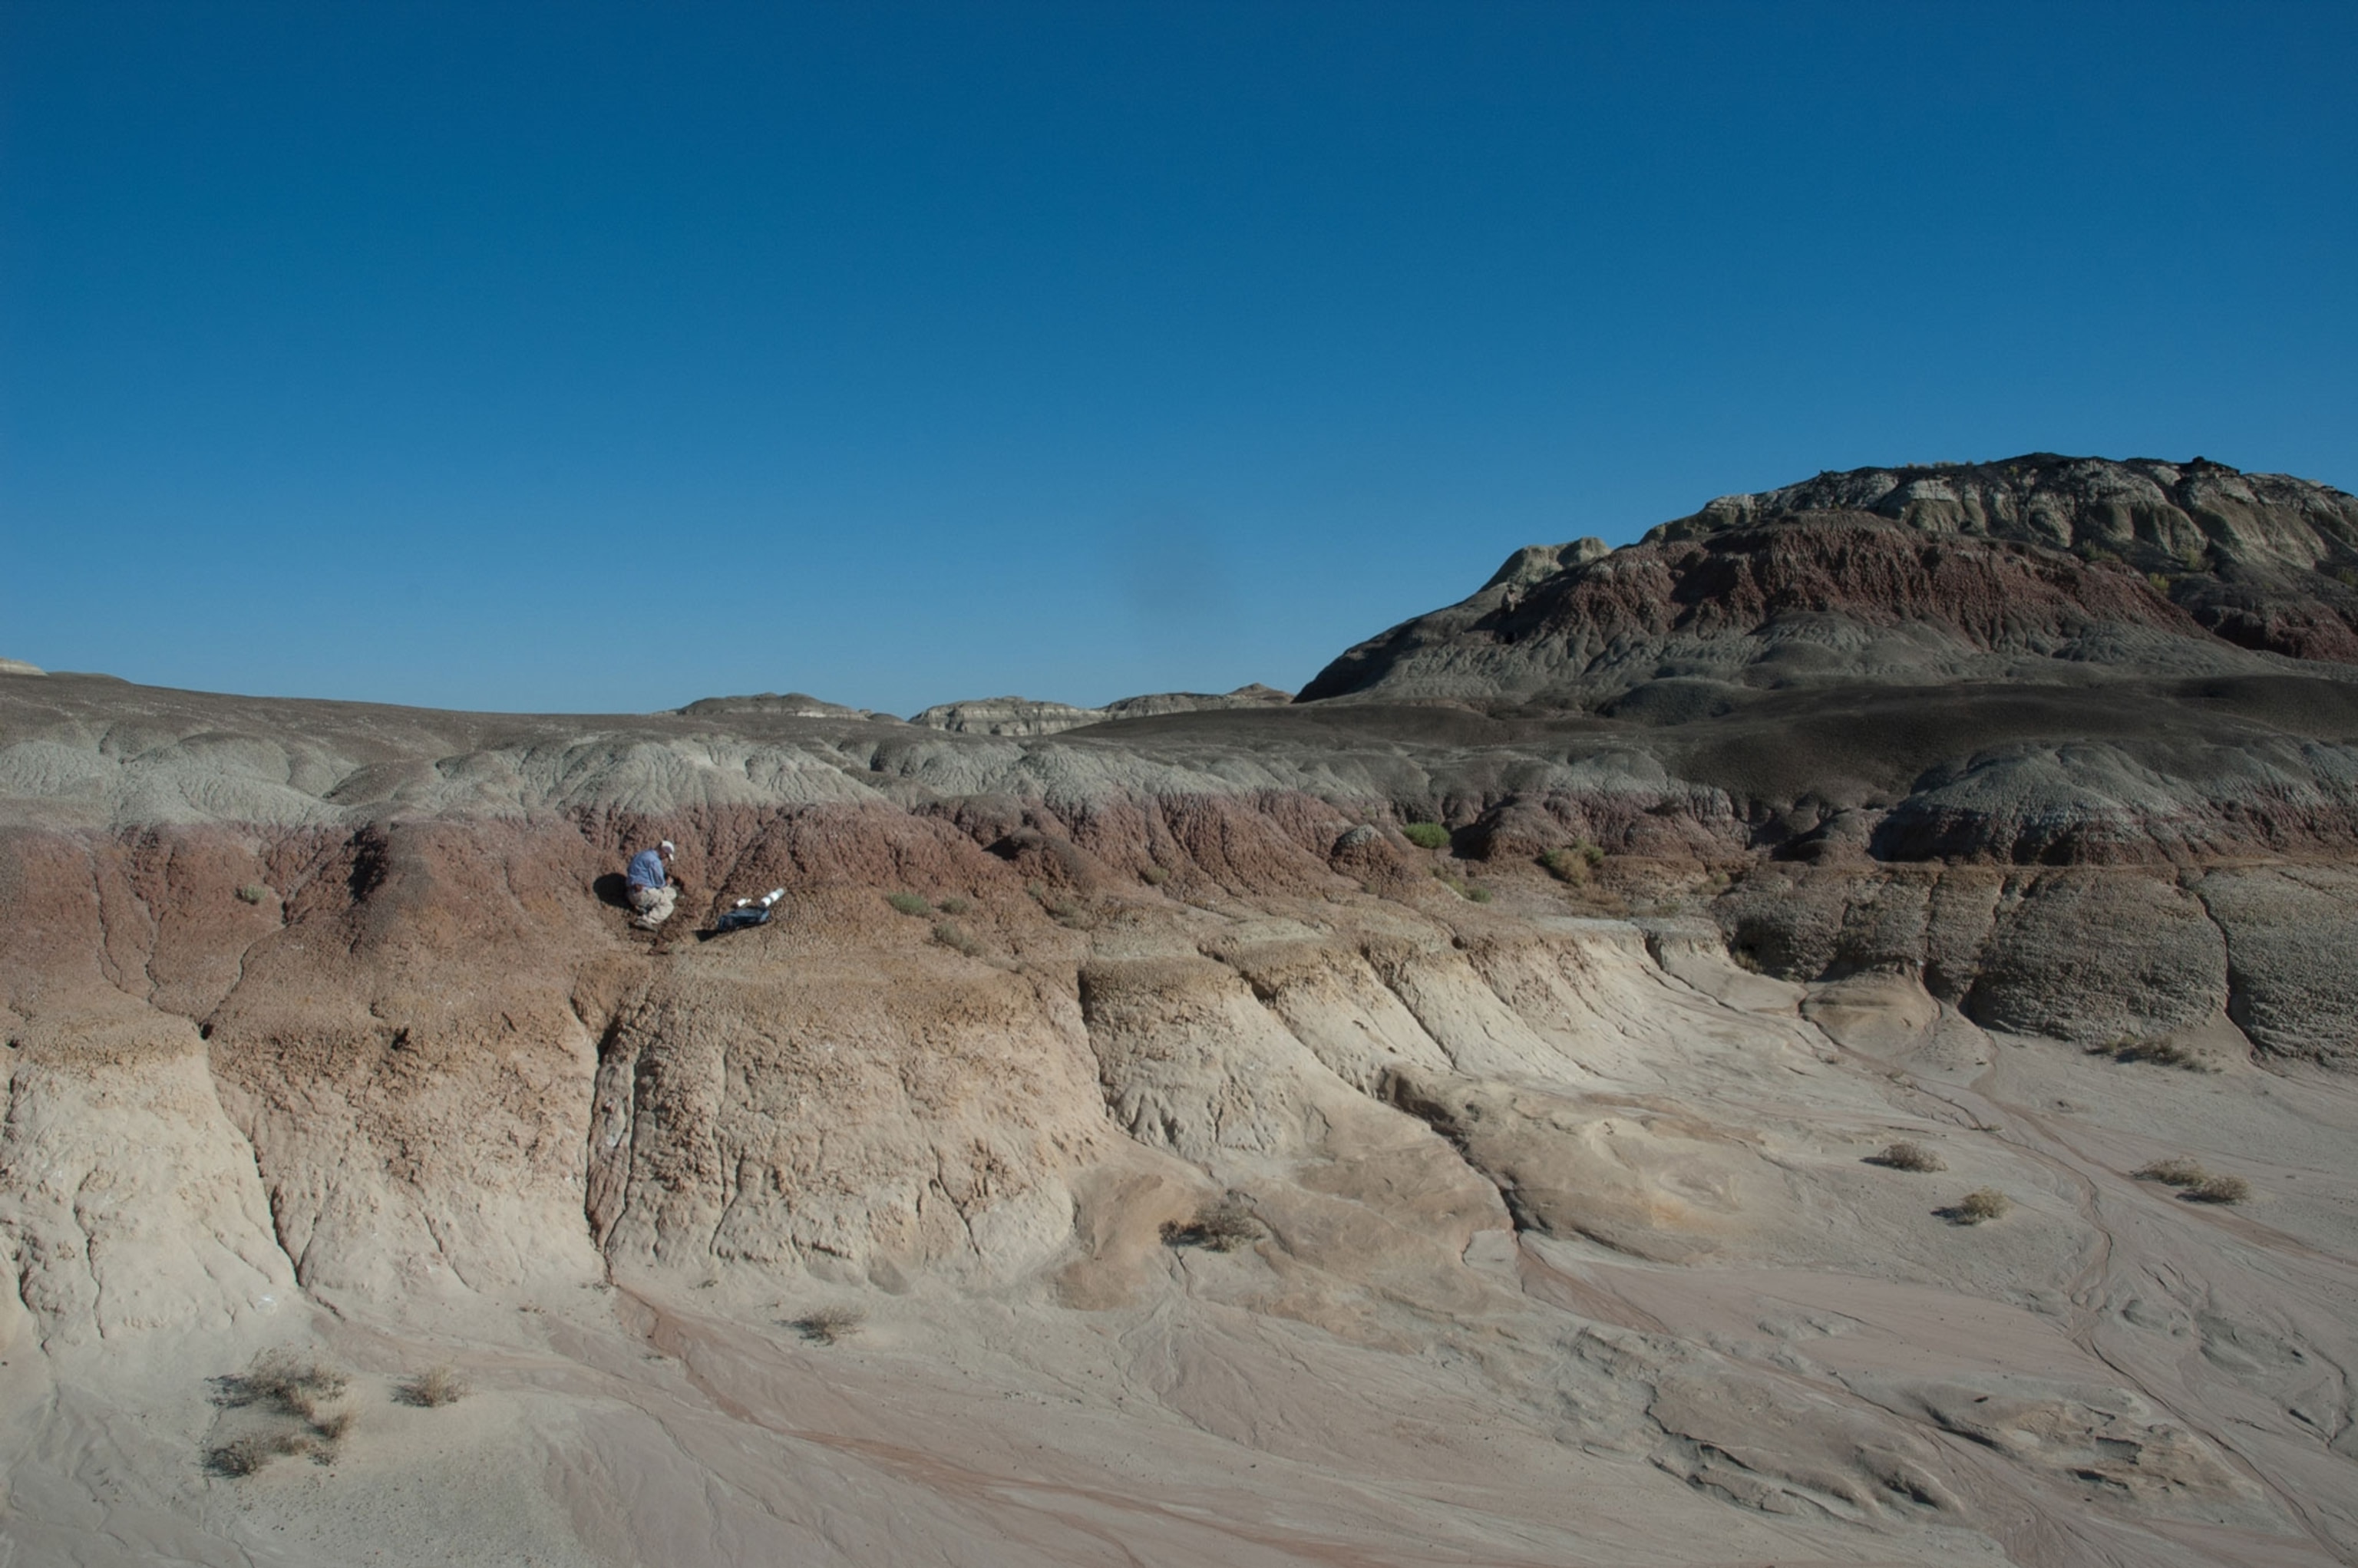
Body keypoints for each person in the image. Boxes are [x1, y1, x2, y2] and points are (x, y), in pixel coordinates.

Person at [626, 840, 677, 929]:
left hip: (631, 891)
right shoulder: (654, 861)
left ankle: (643, 908)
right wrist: (667, 883)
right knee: (668, 905)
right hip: (642, 893)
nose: (665, 858)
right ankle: (646, 919)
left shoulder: (642, 854)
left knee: (672, 893)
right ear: (663, 851)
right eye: (666, 855)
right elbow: (659, 883)